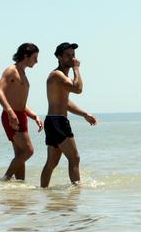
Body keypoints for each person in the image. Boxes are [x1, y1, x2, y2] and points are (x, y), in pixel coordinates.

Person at [40, 42, 98, 188]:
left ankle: (43, 191)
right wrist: (77, 69)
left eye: (73, 55)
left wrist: (84, 113)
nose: (72, 59)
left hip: (54, 121)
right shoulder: (57, 75)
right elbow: (78, 89)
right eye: (68, 55)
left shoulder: (61, 77)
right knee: (74, 157)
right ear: (59, 57)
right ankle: (77, 191)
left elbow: (65, 103)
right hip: (57, 122)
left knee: (52, 162)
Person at [0, 43, 43, 181]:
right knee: (28, 151)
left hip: (21, 116)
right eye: (35, 58)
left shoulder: (23, 73)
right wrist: (10, 112)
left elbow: (20, 101)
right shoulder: (11, 70)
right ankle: (5, 179)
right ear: (25, 56)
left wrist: (34, 116)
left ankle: (20, 186)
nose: (37, 61)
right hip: (11, 116)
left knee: (20, 154)